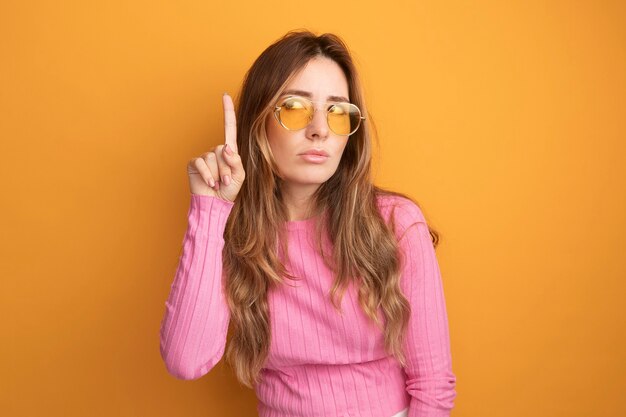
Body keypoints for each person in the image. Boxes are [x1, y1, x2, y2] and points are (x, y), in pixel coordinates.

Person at [159, 29, 457, 417]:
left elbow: (433, 385)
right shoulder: (236, 232)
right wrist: (210, 208)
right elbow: (185, 360)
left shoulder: (395, 222)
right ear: (259, 122)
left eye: (337, 112)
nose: (319, 129)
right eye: (295, 108)